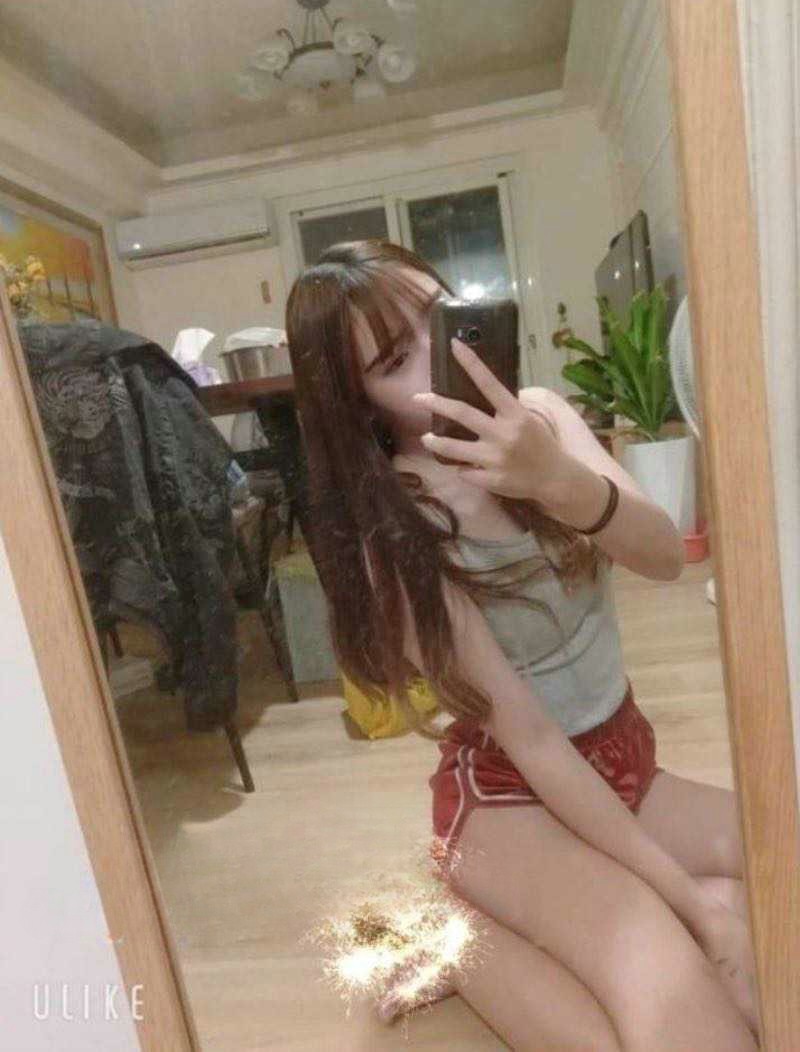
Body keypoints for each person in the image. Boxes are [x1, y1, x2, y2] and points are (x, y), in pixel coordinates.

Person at [285, 239, 759, 1051]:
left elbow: (661, 558)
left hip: (623, 766)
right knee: (689, 1013)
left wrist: (554, 479)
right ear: (359, 403)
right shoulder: (397, 524)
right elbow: (534, 741)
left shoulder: (543, 416)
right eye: (396, 360)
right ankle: (457, 933)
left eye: (440, 317)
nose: (440, 354)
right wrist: (695, 909)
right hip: (509, 801)